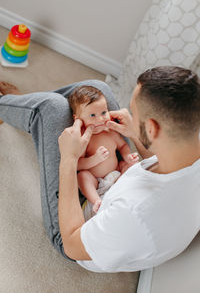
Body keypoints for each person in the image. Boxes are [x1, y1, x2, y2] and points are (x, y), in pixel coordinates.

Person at [0, 66, 200, 273]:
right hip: (115, 182)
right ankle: (25, 108)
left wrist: (69, 159)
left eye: (134, 113)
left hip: (77, 230)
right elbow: (165, 161)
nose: (127, 114)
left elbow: (71, 244)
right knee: (97, 88)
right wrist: (133, 132)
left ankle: (17, 108)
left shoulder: (134, 213)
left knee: (50, 107)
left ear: (151, 129)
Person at [67, 85, 139, 214]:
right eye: (92, 115)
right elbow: (78, 164)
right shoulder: (84, 138)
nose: (100, 119)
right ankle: (97, 201)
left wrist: (127, 156)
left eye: (104, 113)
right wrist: (95, 159)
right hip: (95, 181)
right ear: (77, 119)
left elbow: (122, 146)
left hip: (116, 174)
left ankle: (126, 189)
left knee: (130, 166)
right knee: (82, 176)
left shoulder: (110, 130)